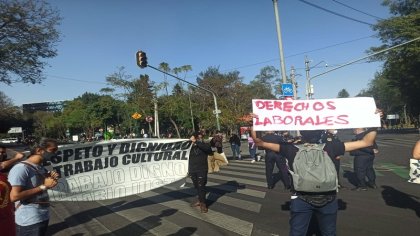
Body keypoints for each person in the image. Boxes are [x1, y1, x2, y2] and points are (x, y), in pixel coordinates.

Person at [251, 125, 378, 236]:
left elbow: (259, 142)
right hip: (328, 196)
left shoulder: (291, 149)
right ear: (321, 132)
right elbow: (367, 142)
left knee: (297, 233)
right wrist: (374, 123)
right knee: (329, 233)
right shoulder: (332, 147)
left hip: (301, 197)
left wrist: (253, 124)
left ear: (302, 133)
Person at [8, 138, 60, 236]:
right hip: (28, 219)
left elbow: (41, 187)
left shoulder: (40, 167)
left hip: (42, 215)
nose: (55, 154)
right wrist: (44, 186)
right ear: (39, 151)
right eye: (52, 150)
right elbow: (13, 197)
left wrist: (50, 180)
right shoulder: (20, 169)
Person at [0, 146, 24, 236]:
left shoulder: (6, 170)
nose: (1, 155)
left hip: (7, 217)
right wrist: (16, 158)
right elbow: (2, 165)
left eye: (3, 153)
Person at [188, 132, 213, 213]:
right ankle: (200, 199)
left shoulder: (205, 145)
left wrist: (197, 142)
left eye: (200, 137)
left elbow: (209, 151)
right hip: (192, 169)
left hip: (202, 169)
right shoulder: (189, 147)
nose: (199, 139)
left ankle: (203, 204)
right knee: (197, 186)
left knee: (201, 185)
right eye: (197, 137)